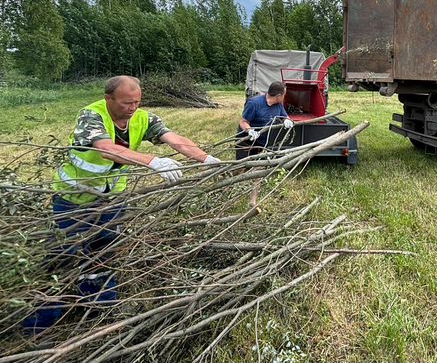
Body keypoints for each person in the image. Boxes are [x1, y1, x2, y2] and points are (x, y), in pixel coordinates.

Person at [23, 75, 220, 333]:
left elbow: (173, 138)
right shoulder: (91, 115)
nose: (132, 108)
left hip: (112, 202)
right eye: (127, 102)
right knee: (60, 259)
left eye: (137, 102)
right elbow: (105, 149)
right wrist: (152, 161)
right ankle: (40, 325)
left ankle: (98, 310)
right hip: (73, 202)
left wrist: (206, 159)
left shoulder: (143, 118)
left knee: (103, 257)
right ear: (109, 99)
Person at [237, 81, 294, 205]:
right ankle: (230, 187)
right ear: (278, 95)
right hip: (246, 141)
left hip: (262, 142)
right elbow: (243, 121)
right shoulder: (254, 103)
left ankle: (253, 201)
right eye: (284, 94)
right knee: (241, 167)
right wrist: (250, 131)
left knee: (258, 169)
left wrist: (287, 120)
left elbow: (285, 116)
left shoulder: (278, 105)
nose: (284, 97)